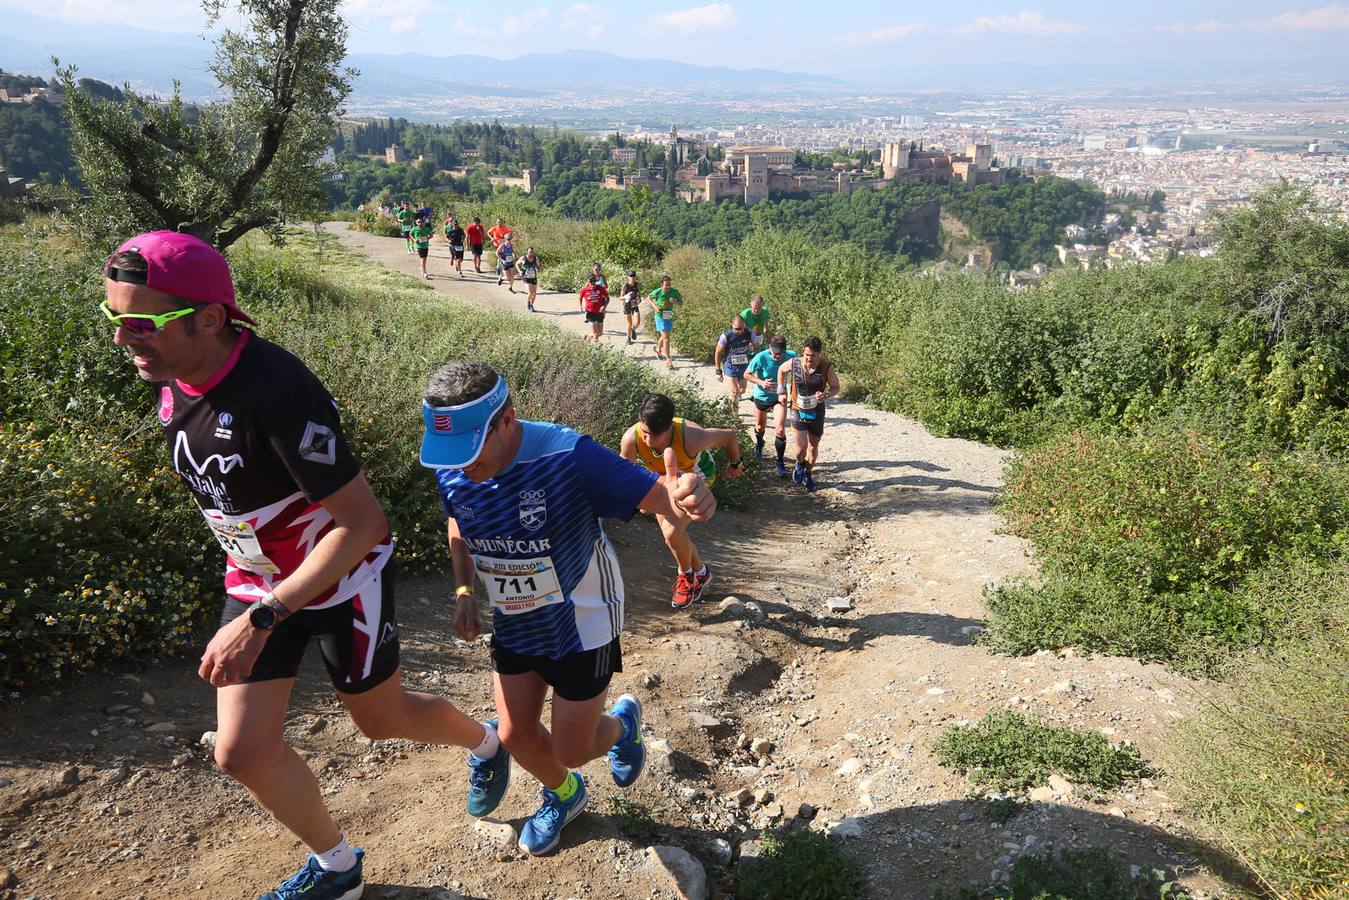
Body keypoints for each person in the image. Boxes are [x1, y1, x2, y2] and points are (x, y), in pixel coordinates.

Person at [102, 232, 509, 900]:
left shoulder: (277, 391)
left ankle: (487, 743)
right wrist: (258, 600)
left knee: (380, 720)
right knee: (240, 753)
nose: (124, 339)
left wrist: (261, 619)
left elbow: (363, 524)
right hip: (259, 582)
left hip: (341, 577)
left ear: (208, 319)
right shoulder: (173, 374)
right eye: (115, 319)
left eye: (141, 323)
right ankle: (337, 867)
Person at [420, 362, 715, 856]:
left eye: (471, 451)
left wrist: (687, 496)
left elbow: (658, 495)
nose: (460, 466)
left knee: (572, 748)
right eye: (451, 454)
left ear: (508, 420)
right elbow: (459, 521)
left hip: (584, 621)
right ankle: (565, 794)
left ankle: (624, 724)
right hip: (515, 621)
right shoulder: (452, 466)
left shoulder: (567, 455)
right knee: (514, 733)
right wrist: (465, 590)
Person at [620, 394, 741, 609]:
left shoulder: (692, 436)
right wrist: (639, 497)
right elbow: (625, 473)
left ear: (669, 427)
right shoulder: (631, 438)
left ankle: (688, 578)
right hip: (664, 478)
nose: (648, 441)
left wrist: (734, 464)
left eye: (655, 435)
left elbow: (729, 436)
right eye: (645, 433)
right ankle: (701, 573)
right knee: (674, 536)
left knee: (672, 534)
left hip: (697, 477)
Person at [777, 336, 840, 492]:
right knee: (801, 448)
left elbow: (836, 388)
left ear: (820, 355)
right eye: (807, 355)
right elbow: (781, 370)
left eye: (813, 356)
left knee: (812, 447)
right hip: (798, 409)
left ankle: (808, 473)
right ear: (803, 353)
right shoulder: (795, 363)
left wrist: (825, 395)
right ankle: (799, 463)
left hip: (817, 411)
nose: (809, 359)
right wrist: (781, 390)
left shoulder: (826, 367)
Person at [745, 335, 796, 474]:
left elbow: (798, 373)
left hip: (779, 398)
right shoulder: (761, 357)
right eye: (775, 353)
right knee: (760, 427)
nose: (777, 356)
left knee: (780, 429)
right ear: (769, 348)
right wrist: (761, 382)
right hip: (761, 396)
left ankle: (780, 462)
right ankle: (759, 444)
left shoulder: (791, 356)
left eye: (780, 353)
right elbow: (747, 374)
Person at [713, 314, 760, 414]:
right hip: (730, 366)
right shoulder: (726, 336)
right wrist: (718, 370)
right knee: (734, 392)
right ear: (732, 326)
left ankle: (731, 403)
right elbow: (718, 352)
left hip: (744, 366)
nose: (739, 331)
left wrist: (757, 363)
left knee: (742, 390)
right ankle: (735, 419)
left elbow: (757, 348)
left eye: (741, 328)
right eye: (737, 329)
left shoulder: (750, 333)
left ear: (744, 325)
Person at [646, 275, 682, 371]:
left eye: (669, 285)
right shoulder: (658, 291)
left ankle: (658, 348)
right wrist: (654, 306)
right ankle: (668, 359)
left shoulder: (674, 292)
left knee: (665, 335)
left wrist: (674, 301)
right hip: (659, 316)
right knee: (666, 338)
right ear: (662, 285)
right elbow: (648, 298)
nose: (668, 287)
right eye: (666, 285)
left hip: (668, 315)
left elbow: (681, 303)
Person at [579, 274, 609, 341]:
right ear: (587, 282)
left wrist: (604, 306)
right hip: (590, 313)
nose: (593, 283)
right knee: (595, 334)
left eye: (594, 281)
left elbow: (607, 298)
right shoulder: (584, 290)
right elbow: (580, 297)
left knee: (600, 333)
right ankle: (597, 349)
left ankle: (587, 338)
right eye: (591, 281)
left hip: (599, 313)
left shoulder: (600, 288)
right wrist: (581, 306)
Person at [620, 271, 642, 344]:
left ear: (635, 277)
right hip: (627, 305)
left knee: (638, 322)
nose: (632, 277)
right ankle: (628, 338)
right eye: (631, 276)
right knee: (629, 322)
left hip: (635, 304)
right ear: (628, 277)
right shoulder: (625, 286)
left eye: (633, 276)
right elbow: (621, 297)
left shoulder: (637, 284)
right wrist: (626, 297)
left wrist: (639, 299)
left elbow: (639, 293)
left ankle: (633, 329)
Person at [516, 247, 541, 312]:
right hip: (526, 277)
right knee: (530, 293)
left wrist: (538, 269)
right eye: (530, 252)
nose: (531, 253)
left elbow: (539, 267)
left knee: (534, 293)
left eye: (532, 252)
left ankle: (531, 305)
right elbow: (517, 264)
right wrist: (519, 271)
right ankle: (528, 303)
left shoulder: (536, 258)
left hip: (533, 277)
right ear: (527, 252)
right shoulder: (523, 258)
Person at [411, 215, 435, 280]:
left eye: (421, 222)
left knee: (424, 259)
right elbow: (410, 234)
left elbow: (431, 235)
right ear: (416, 223)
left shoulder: (426, 229)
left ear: (423, 222)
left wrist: (428, 238)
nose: (420, 223)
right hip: (419, 246)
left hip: (425, 246)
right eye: (418, 222)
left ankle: (421, 268)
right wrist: (414, 240)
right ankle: (424, 272)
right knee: (423, 259)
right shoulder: (414, 229)